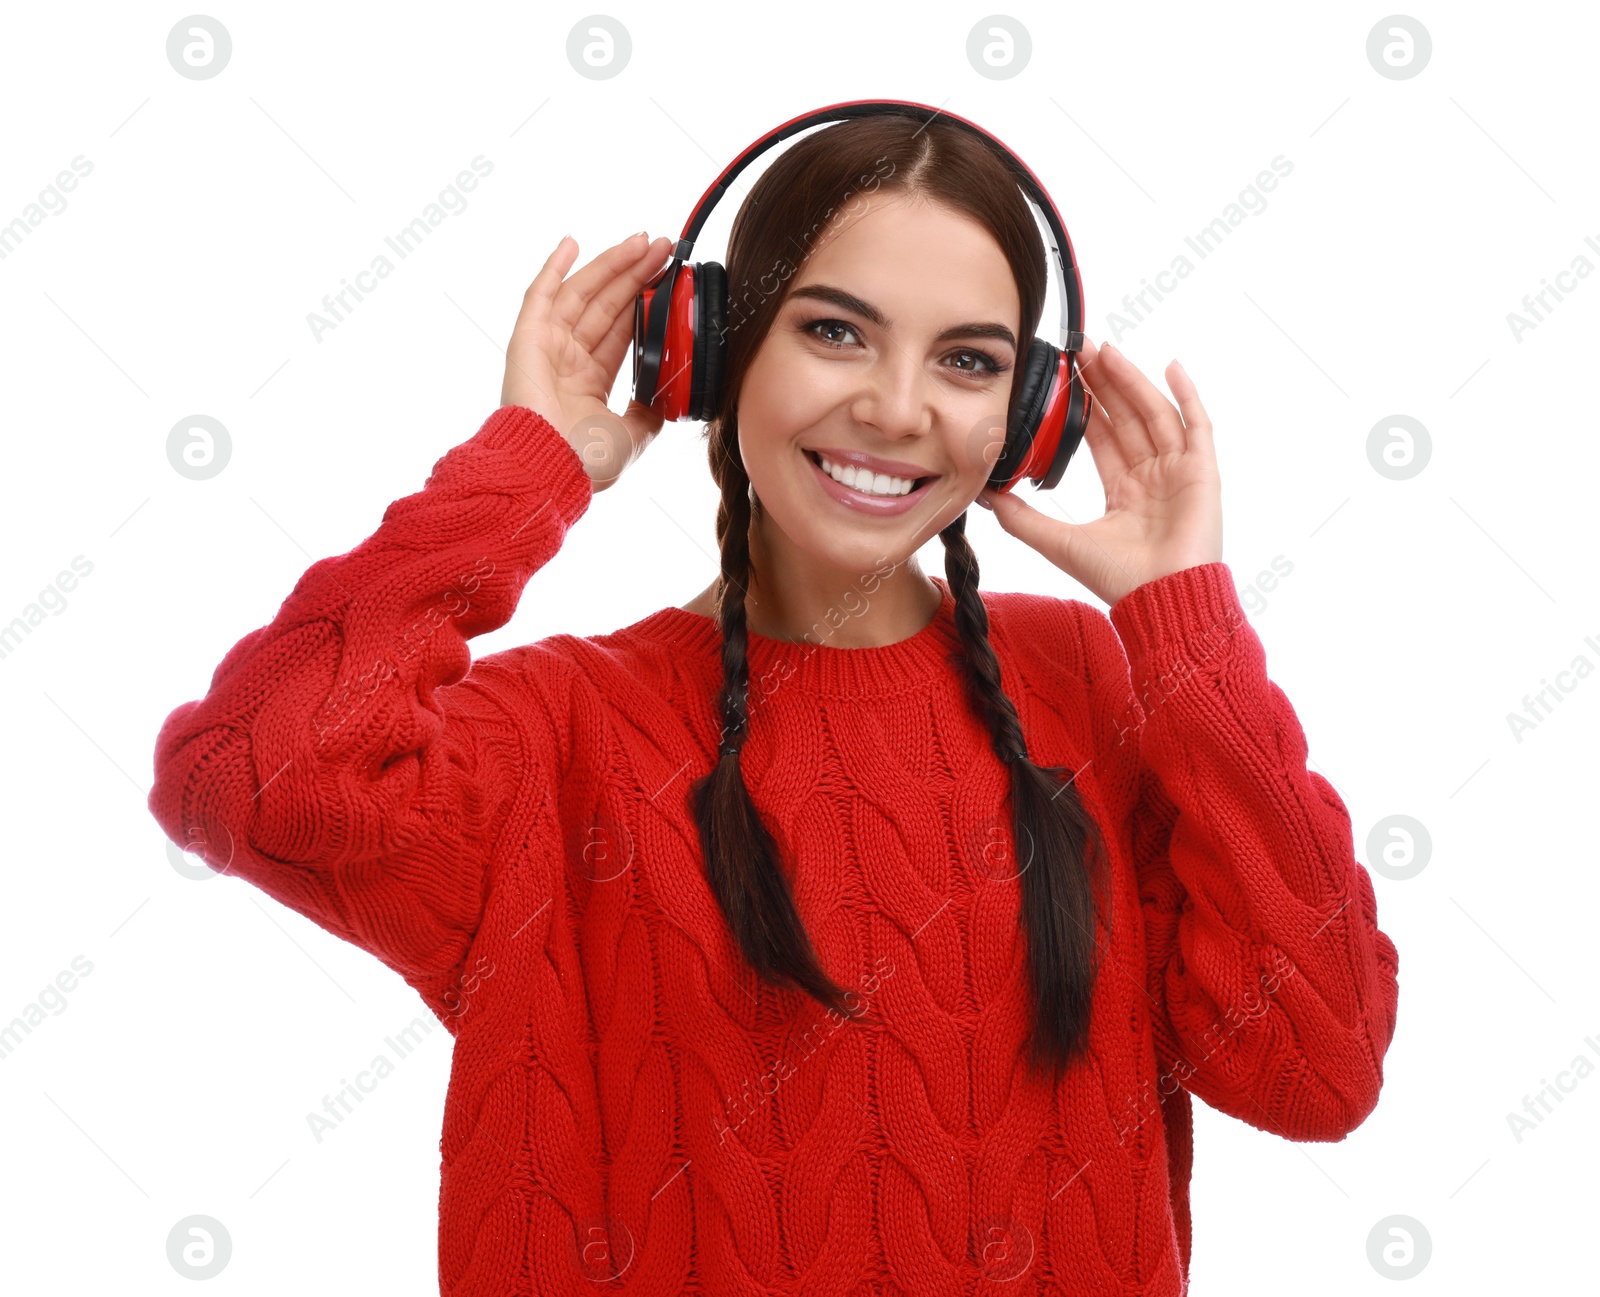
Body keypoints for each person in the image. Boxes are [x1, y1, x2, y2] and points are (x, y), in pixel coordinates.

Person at [148, 111, 1399, 1295]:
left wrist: (1186, 631)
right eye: (835, 331)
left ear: (1027, 416)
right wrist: (527, 470)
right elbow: (247, 775)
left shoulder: (1096, 686)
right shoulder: (561, 732)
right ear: (712, 346)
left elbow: (1316, 1066)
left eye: (969, 361)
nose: (898, 408)